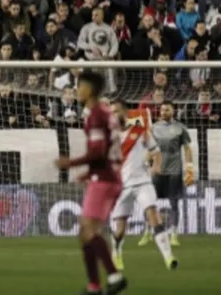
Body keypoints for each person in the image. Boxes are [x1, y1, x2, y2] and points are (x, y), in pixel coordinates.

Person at [54, 71, 127, 295]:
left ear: (90, 89)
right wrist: (87, 173)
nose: (77, 90)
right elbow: (105, 152)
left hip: (104, 179)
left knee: (89, 230)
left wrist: (70, 162)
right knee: (86, 232)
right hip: (109, 175)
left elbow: (97, 151)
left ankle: (113, 276)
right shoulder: (106, 113)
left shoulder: (96, 114)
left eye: (80, 86)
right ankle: (94, 286)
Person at [107, 101, 177, 271]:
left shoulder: (139, 131)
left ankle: (169, 258)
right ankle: (116, 250)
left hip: (143, 182)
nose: (114, 115)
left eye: (116, 111)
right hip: (122, 186)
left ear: (125, 112)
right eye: (112, 113)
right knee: (121, 229)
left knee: (153, 213)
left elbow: (155, 150)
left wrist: (156, 166)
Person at [140, 101, 193, 248]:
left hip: (174, 171)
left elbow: (188, 149)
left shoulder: (180, 128)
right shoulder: (154, 128)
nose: (163, 112)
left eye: (167, 110)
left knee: (174, 203)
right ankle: (147, 233)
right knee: (149, 203)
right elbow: (149, 149)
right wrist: (145, 165)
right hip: (157, 171)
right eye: (162, 110)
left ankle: (174, 234)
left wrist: (189, 167)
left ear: (173, 111)